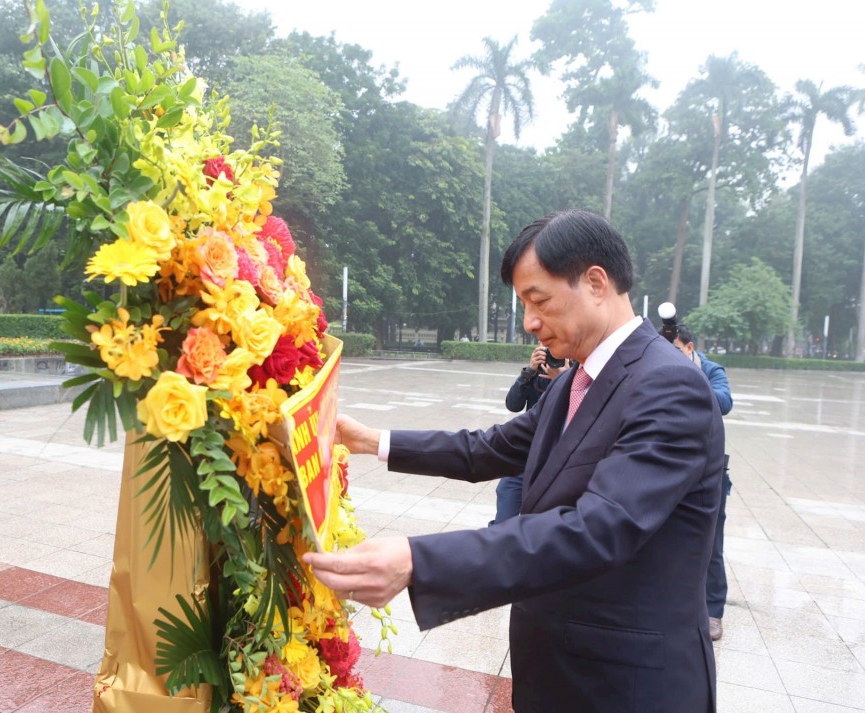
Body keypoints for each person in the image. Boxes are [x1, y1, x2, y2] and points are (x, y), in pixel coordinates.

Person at [304, 209, 725, 712]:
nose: (529, 322)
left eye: (538, 301)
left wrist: (421, 561)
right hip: (559, 672)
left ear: (595, 282)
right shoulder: (574, 381)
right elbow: (490, 448)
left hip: (628, 687)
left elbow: (597, 528)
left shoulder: (669, 385)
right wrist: (370, 440)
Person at [674, 323, 733, 641]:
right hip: (672, 469)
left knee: (712, 544)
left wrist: (692, 378)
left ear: (690, 348)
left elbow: (724, 402)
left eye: (676, 351)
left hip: (709, 474)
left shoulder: (710, 370)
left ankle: (713, 612)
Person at [490, 342, 568, 525]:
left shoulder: (575, 371)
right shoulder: (536, 371)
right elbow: (513, 404)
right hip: (527, 452)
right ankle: (499, 543)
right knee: (505, 507)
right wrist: (529, 372)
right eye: (544, 344)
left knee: (543, 523)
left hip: (557, 457)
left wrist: (564, 379)